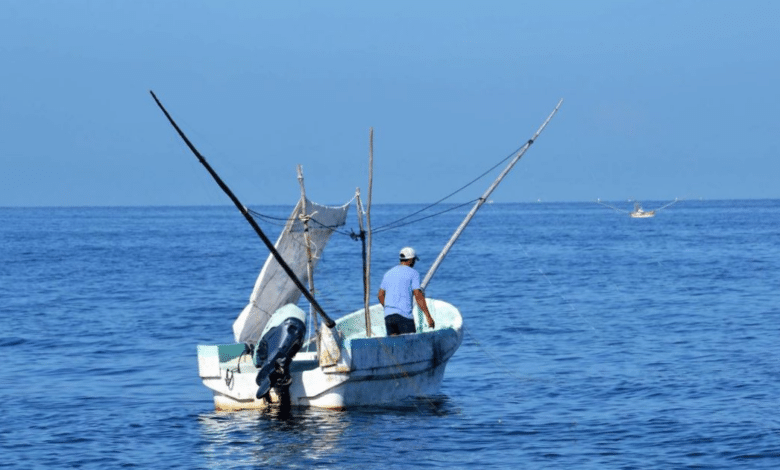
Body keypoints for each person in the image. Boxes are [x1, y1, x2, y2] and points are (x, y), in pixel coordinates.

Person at [377, 247, 435, 336]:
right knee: (409, 345)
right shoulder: (413, 273)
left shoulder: (388, 273)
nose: (414, 263)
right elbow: (418, 296)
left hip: (389, 317)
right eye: (414, 260)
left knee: (394, 346)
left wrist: (389, 308)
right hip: (404, 317)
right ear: (411, 260)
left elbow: (380, 295)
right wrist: (428, 316)